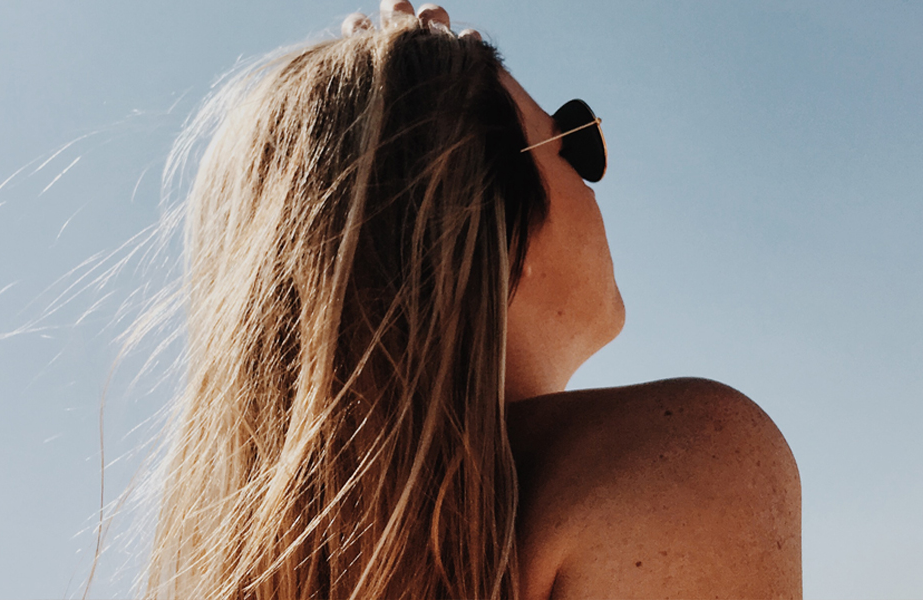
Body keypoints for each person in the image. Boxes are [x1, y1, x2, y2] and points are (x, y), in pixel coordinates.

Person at [141, 2, 801, 598]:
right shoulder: (677, 459)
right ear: (482, 217)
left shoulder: (292, 565)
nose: (597, 183)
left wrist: (406, 94)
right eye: (575, 141)